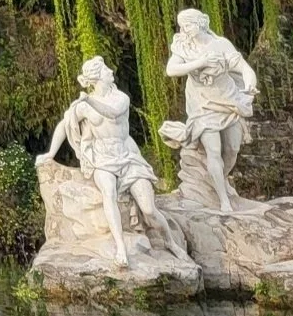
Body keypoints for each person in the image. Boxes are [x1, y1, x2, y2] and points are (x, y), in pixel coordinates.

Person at [40, 56, 185, 267]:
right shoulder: (83, 105)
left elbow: (113, 113)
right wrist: (51, 153)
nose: (110, 71)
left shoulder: (120, 98)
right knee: (108, 192)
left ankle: (170, 242)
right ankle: (120, 248)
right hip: (101, 157)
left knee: (148, 209)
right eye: (106, 70)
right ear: (97, 77)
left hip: (127, 156)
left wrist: (88, 100)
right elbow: (65, 125)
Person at [158, 8, 258, 212]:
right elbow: (171, 70)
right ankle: (223, 200)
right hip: (201, 104)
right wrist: (200, 62)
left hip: (227, 99)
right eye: (182, 25)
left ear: (201, 23)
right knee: (213, 151)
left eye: (189, 24)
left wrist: (248, 88)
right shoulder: (183, 47)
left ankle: (220, 180)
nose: (185, 29)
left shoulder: (220, 44)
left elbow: (245, 70)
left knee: (231, 149)